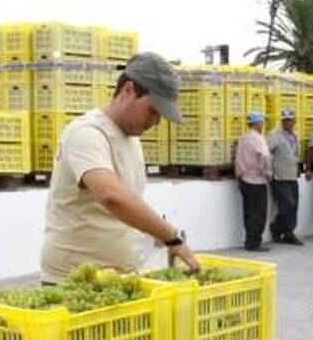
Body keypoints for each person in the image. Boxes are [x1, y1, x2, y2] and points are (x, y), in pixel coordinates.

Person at [41, 51, 199, 283]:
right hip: (74, 283)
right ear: (128, 91)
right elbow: (111, 196)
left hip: (118, 280)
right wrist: (170, 237)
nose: (155, 122)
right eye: (153, 111)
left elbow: (127, 203)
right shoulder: (88, 134)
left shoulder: (131, 138)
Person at [234, 110, 273, 252]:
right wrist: (267, 173)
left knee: (249, 212)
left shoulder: (244, 138)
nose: (263, 124)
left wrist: (239, 175)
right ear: (258, 123)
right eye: (262, 122)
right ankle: (254, 242)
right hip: (257, 180)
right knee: (258, 213)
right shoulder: (257, 138)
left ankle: (250, 241)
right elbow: (264, 157)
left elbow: (238, 159)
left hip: (244, 179)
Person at [266, 108, 303, 245]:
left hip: (292, 175)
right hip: (279, 176)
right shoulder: (275, 135)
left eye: (290, 120)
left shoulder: (295, 136)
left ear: (294, 121)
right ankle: (276, 227)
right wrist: (268, 169)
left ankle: (288, 232)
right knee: (287, 205)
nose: (287, 123)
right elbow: (265, 151)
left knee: (294, 206)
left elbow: (295, 154)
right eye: (285, 120)